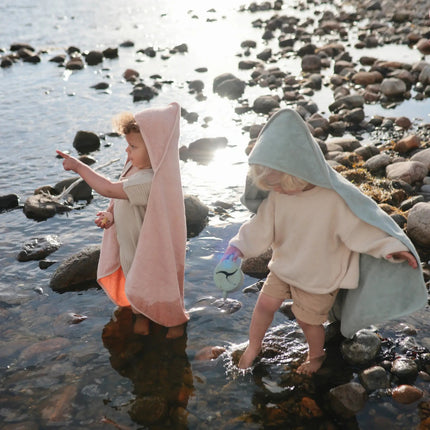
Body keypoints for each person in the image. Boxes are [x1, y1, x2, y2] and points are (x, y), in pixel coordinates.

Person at [222, 108, 427, 374]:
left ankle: (316, 356)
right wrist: (237, 247)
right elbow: (259, 227)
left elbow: (362, 228)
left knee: (308, 322)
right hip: (284, 266)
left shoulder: (333, 199)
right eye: (271, 187)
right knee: (263, 305)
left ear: (298, 172)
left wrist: (391, 248)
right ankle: (253, 346)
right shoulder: (277, 197)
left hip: (320, 275)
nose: (276, 191)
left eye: (280, 184)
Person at [57, 102, 189, 339]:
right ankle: (141, 316)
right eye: (128, 145)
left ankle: (175, 322)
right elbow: (124, 201)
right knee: (134, 287)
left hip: (149, 253)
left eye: (133, 146)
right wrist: (111, 215)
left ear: (155, 149)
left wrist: (79, 166)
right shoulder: (136, 170)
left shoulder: (151, 180)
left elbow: (109, 189)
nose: (127, 151)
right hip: (130, 250)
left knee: (161, 290)